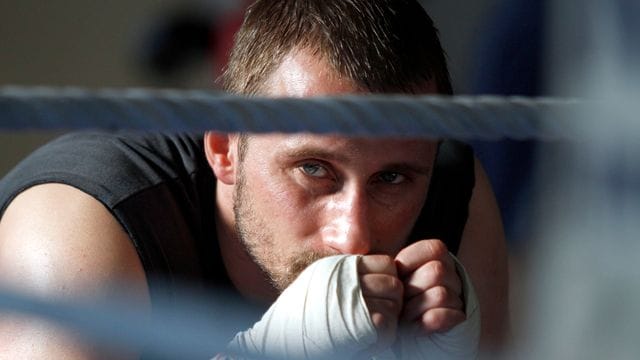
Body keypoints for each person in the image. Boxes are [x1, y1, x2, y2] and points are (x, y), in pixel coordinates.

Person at [0, 0, 508, 358]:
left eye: (391, 179)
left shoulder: (451, 193)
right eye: (314, 169)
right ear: (224, 147)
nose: (352, 234)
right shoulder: (77, 230)